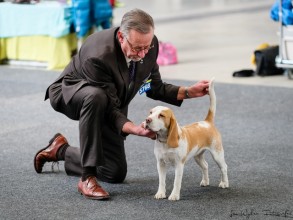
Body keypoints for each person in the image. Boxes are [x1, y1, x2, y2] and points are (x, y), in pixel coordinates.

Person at [34, 8, 210, 200]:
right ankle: (87, 177)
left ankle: (59, 149)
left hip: (110, 99)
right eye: (137, 48)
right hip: (71, 93)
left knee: (114, 172)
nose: (142, 54)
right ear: (121, 37)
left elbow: (151, 86)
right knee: (95, 97)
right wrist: (134, 128)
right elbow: (108, 108)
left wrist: (187, 92)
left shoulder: (149, 45)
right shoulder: (98, 55)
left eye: (146, 47)